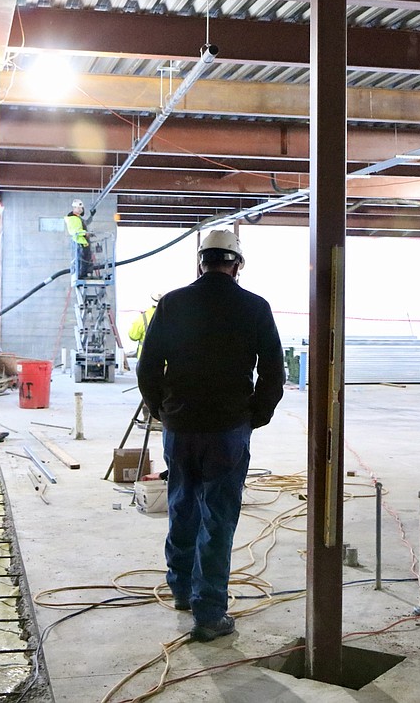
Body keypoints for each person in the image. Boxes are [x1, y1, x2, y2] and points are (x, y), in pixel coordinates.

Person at [136, 230, 285, 642]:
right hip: (227, 429)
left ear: (200, 262)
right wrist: (255, 416)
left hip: (181, 427)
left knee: (183, 503)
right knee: (217, 516)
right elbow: (274, 373)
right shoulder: (255, 307)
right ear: (236, 265)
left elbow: (147, 368)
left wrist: (161, 410)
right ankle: (209, 613)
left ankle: (181, 591)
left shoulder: (172, 303)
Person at [63, 198, 92, 279]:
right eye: (78, 208)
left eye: (81, 208)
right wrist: (85, 233)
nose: (80, 210)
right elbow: (74, 231)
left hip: (82, 241)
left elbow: (86, 222)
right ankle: (81, 275)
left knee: (84, 259)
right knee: (82, 260)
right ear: (74, 208)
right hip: (79, 242)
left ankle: (83, 274)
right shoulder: (73, 219)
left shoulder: (77, 218)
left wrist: (91, 216)